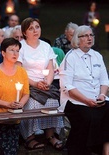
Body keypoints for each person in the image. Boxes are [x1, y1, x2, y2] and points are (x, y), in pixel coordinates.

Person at [59, 25, 109, 155]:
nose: (89, 38)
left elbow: (104, 80)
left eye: (91, 35)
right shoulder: (70, 57)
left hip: (97, 99)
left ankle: (105, 150)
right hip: (75, 100)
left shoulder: (97, 55)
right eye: (85, 36)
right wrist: (86, 100)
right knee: (87, 116)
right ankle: (83, 149)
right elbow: (67, 86)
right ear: (77, 39)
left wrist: (102, 95)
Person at [16, 17, 64, 150]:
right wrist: (35, 84)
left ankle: (50, 135)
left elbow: (50, 67)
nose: (35, 30)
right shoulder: (21, 47)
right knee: (33, 104)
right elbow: (19, 71)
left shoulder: (45, 46)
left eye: (37, 27)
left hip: (44, 83)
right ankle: (29, 137)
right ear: (25, 32)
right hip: (28, 83)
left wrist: (47, 82)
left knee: (53, 102)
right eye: (31, 28)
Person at [0, 38, 30, 155]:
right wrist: (8, 104)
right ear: (3, 53)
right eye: (12, 50)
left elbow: (26, 93)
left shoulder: (22, 72)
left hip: (13, 118)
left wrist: (21, 104)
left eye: (17, 50)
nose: (15, 53)